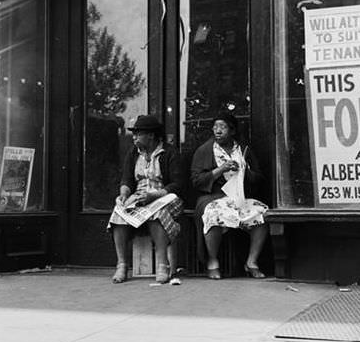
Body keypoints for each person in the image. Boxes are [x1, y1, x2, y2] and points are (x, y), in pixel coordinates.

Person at [190, 112, 269, 279]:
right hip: (214, 197)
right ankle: (212, 261)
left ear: (232, 131)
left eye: (223, 127)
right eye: (215, 127)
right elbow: (196, 181)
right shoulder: (204, 151)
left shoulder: (243, 150)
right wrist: (221, 169)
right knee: (213, 214)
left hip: (239, 197)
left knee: (262, 213)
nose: (218, 131)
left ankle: (251, 262)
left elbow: (259, 177)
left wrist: (245, 171)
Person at [107, 115, 184, 284]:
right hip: (141, 197)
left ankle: (163, 265)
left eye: (138, 134)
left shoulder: (169, 153)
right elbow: (127, 179)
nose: (134, 137)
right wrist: (124, 194)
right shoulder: (134, 153)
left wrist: (155, 195)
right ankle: (121, 265)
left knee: (156, 214)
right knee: (119, 213)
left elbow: (178, 184)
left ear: (151, 135)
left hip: (165, 196)